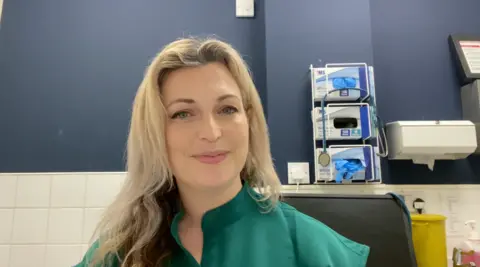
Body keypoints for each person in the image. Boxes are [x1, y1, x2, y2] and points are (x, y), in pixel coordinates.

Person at [75, 37, 370, 267]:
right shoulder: (120, 253)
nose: (212, 133)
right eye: (183, 114)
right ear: (154, 133)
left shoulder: (313, 248)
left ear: (250, 122)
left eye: (227, 109)